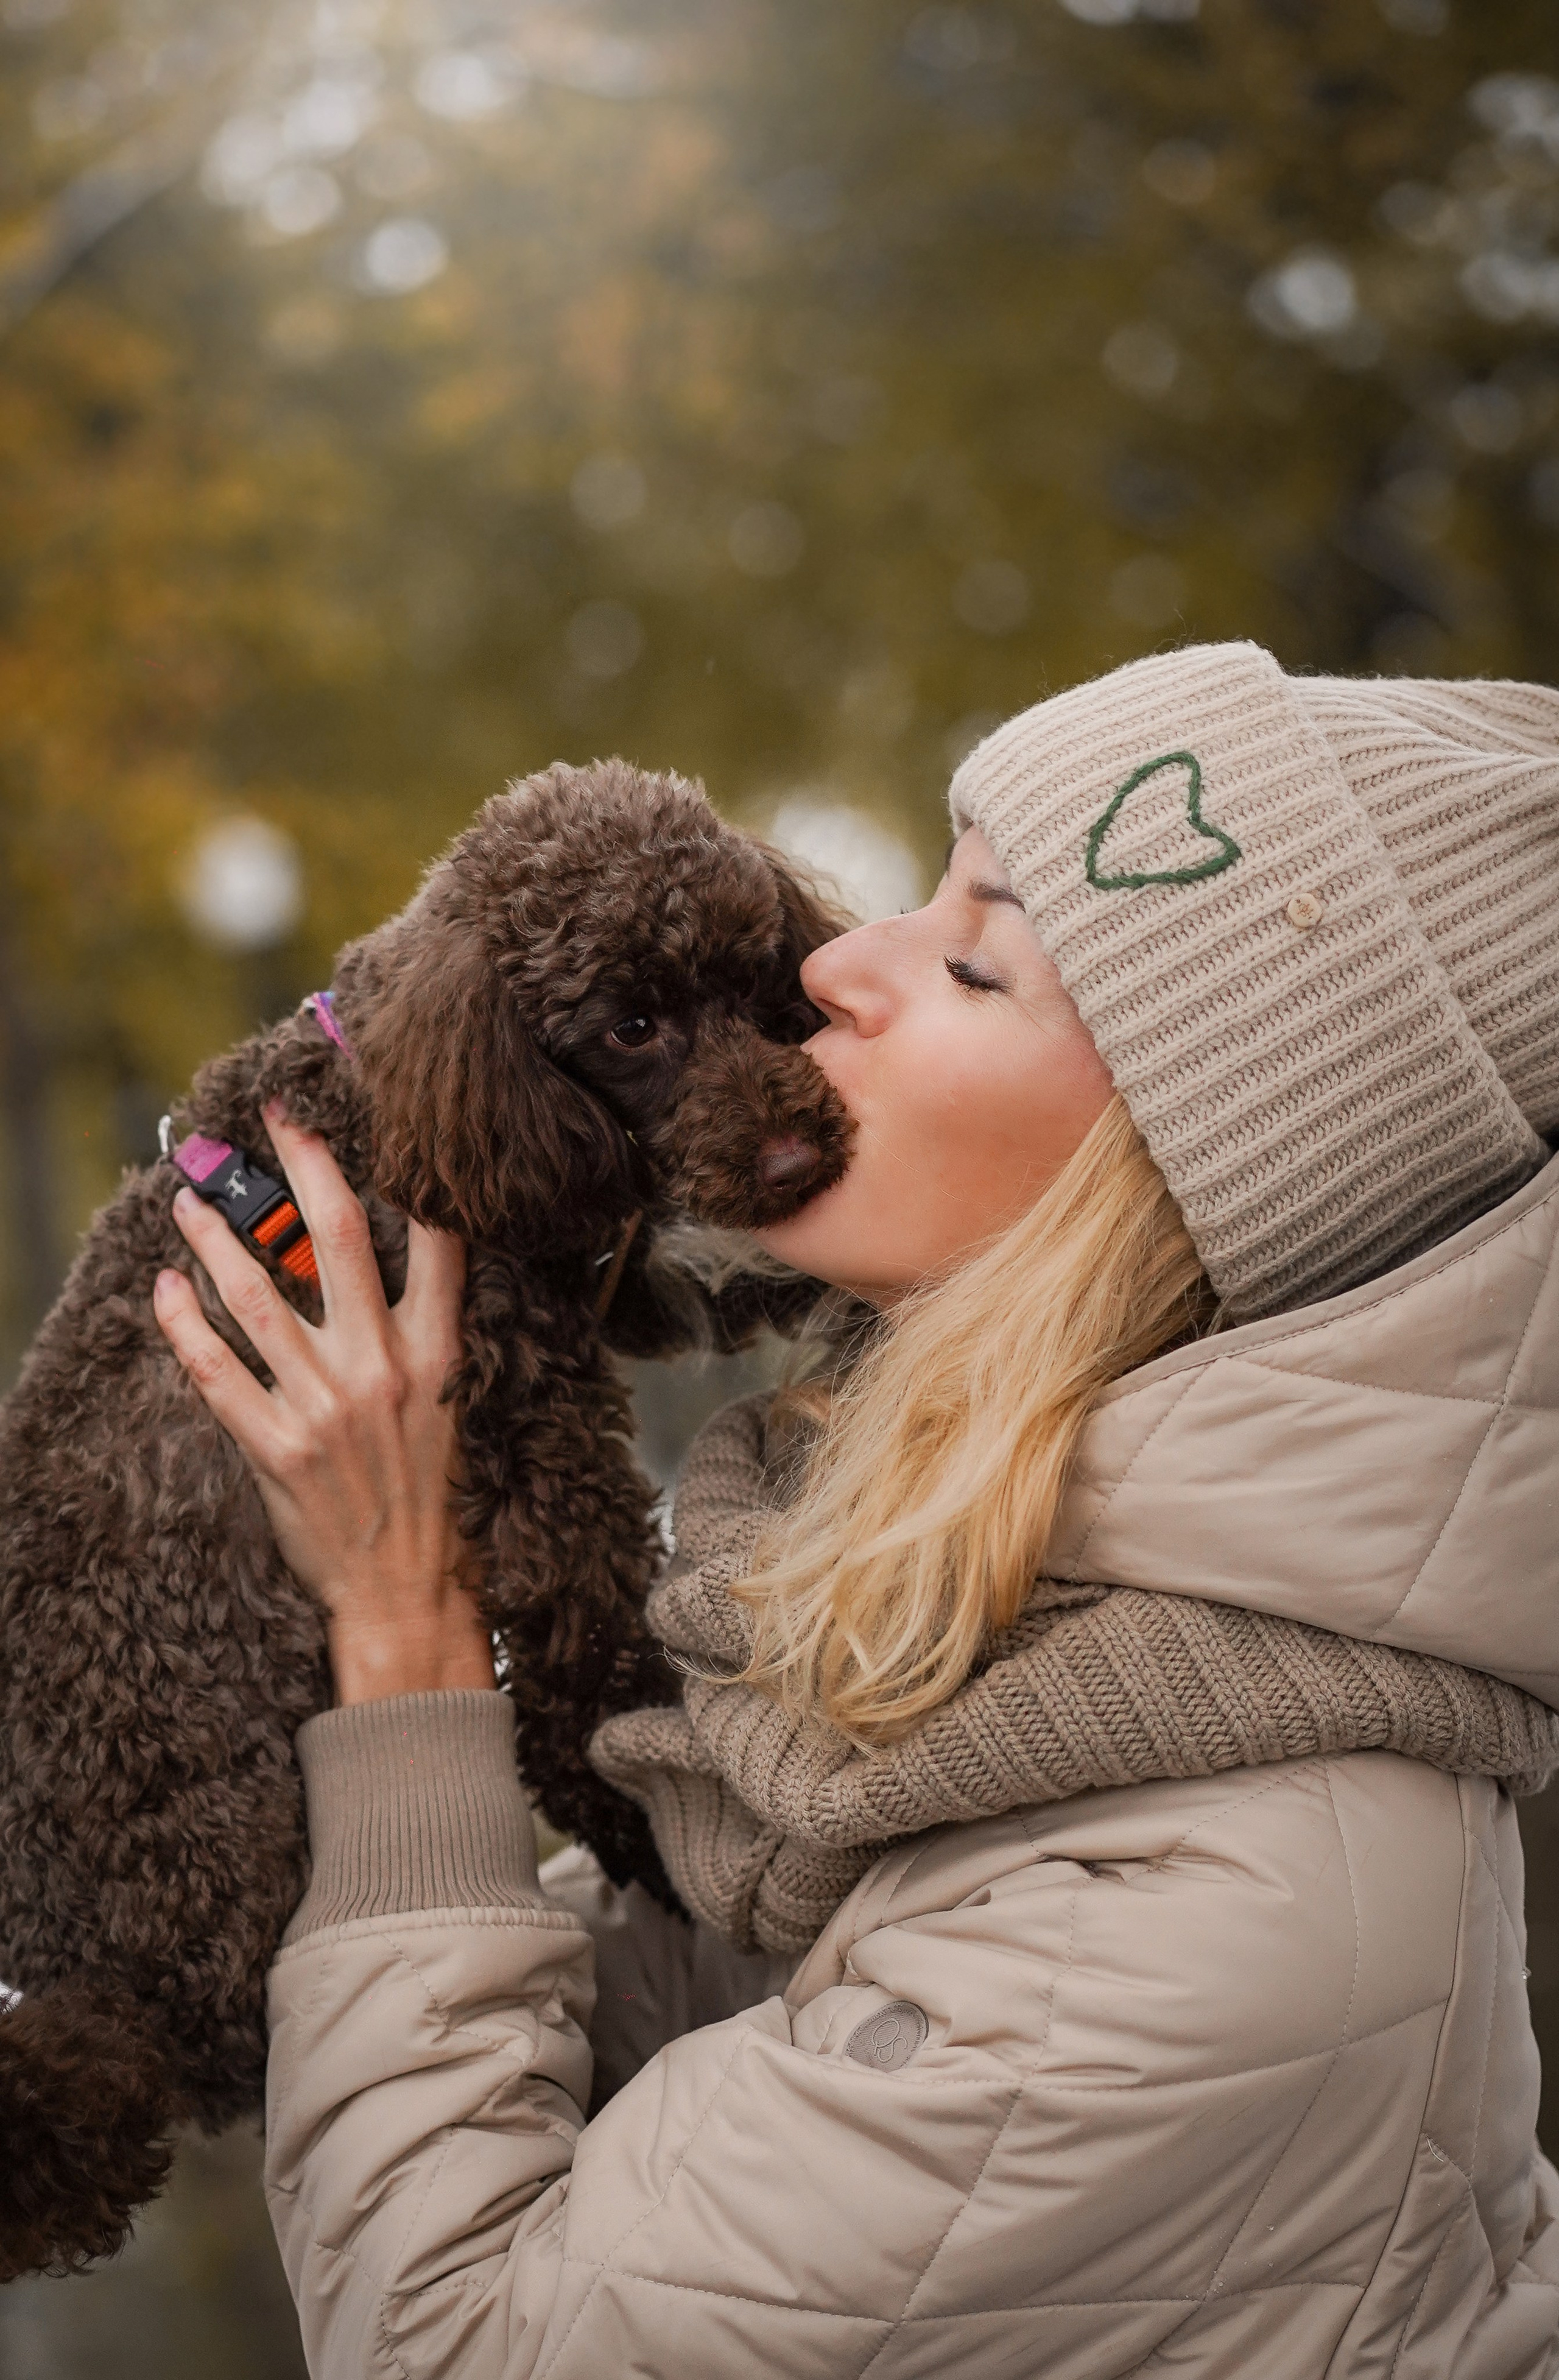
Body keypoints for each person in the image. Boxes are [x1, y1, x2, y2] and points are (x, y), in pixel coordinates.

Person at [155, 639, 1559, 2379]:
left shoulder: (1205, 1916)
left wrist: (403, 1627)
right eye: (925, 896)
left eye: (975, 965)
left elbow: (459, 2343)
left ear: (1183, 1188)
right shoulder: (1033, 1682)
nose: (833, 963)